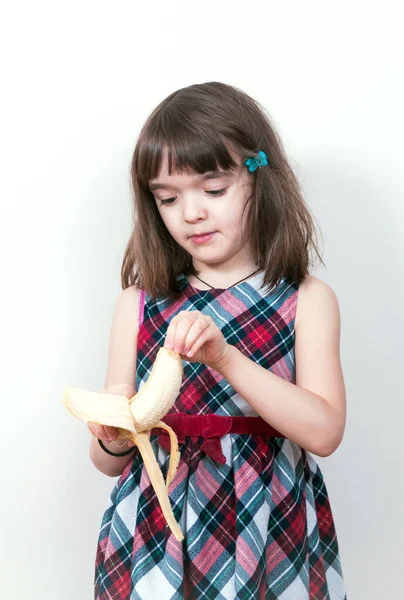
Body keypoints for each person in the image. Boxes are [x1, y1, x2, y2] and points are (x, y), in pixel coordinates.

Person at [87, 81, 347, 599]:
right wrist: (110, 433)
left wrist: (226, 358)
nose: (191, 213)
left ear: (258, 177)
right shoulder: (138, 305)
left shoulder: (305, 300)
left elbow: (323, 433)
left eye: (213, 190)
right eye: (168, 198)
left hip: (267, 524)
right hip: (157, 531)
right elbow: (108, 461)